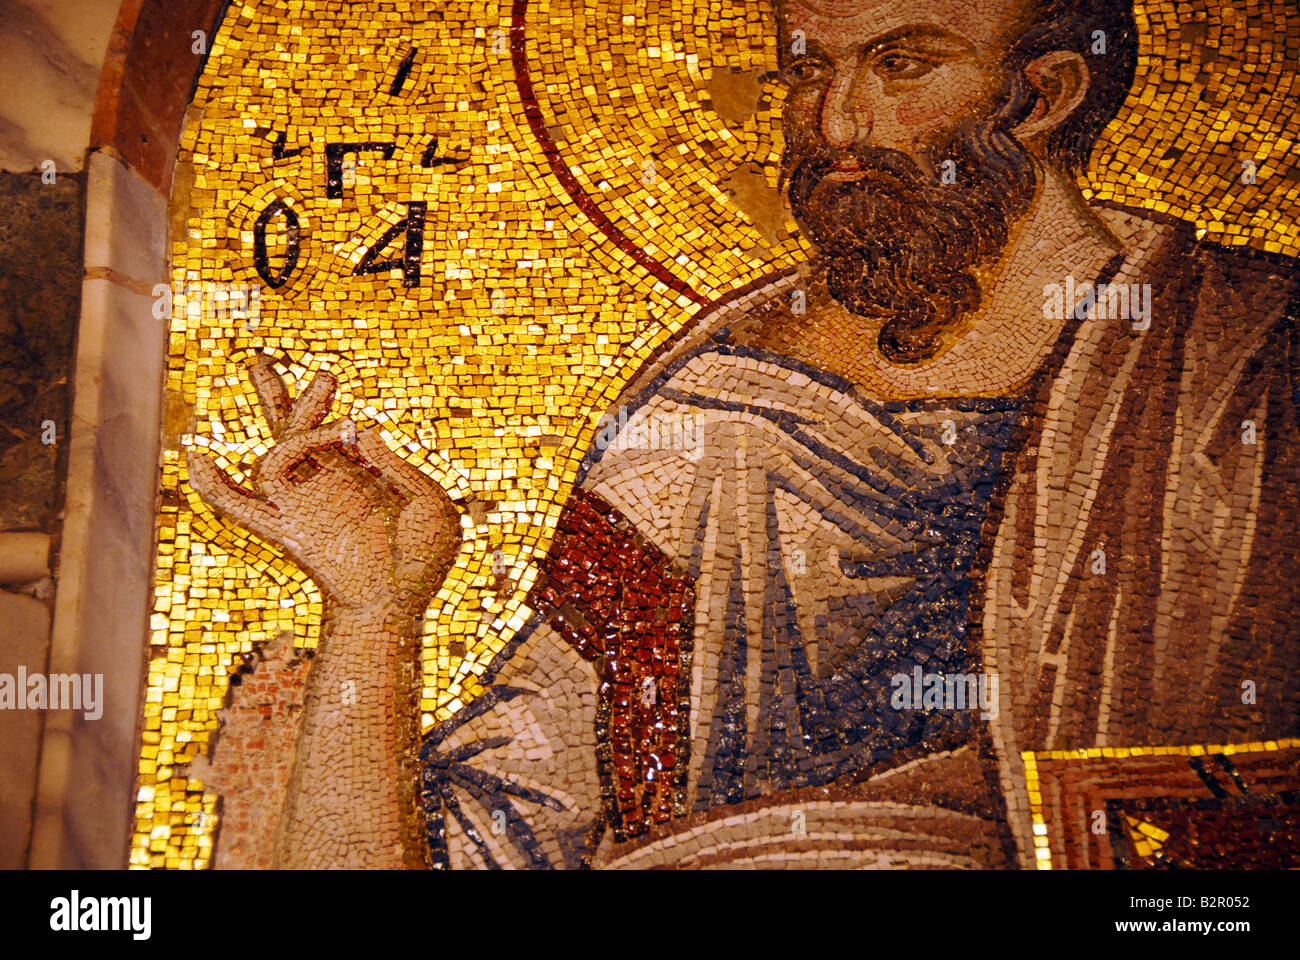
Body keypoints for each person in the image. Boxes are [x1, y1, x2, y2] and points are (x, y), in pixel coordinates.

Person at [188, 0, 1300, 868]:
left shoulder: (1248, 363)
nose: (836, 123)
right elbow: (519, 817)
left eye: (901, 63)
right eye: (808, 67)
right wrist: (373, 608)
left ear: (1041, 93)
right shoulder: (715, 413)